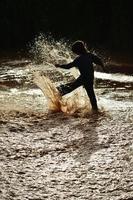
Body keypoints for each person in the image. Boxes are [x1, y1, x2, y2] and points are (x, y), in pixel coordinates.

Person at [55, 40, 105, 111]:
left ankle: (59, 91)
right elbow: (99, 61)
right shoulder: (90, 55)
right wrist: (103, 67)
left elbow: (68, 66)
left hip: (84, 78)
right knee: (91, 95)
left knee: (72, 87)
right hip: (90, 78)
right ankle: (95, 109)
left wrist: (59, 65)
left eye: (75, 52)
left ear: (78, 50)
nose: (75, 53)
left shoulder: (79, 59)